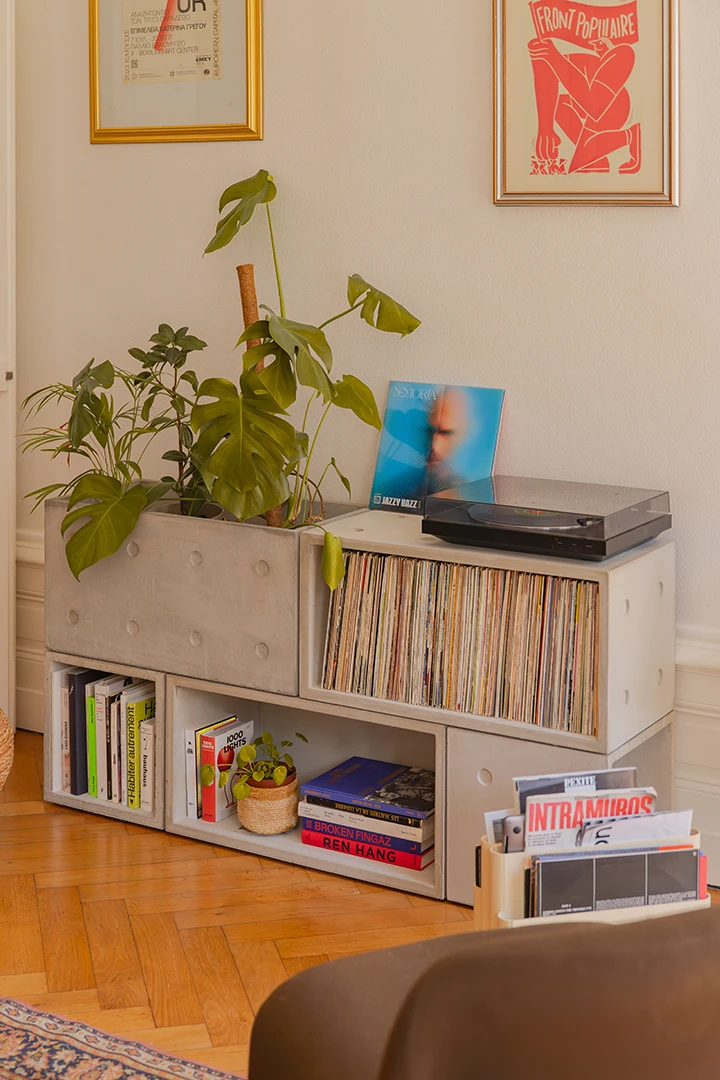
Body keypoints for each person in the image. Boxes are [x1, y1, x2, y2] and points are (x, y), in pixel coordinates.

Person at [528, 35, 641, 175]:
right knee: (585, 162)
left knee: (583, 162)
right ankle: (600, 158)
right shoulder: (585, 61)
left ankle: (630, 135)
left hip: (616, 107)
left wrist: (553, 56)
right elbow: (547, 70)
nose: (596, 46)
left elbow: (595, 107)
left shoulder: (624, 53)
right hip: (589, 104)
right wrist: (545, 130)